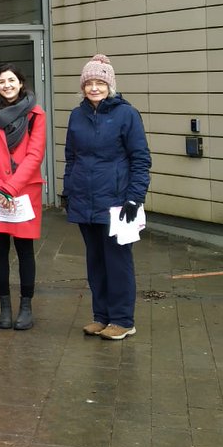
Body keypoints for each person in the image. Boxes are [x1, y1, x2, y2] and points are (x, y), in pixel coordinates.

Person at [64, 54, 151, 341]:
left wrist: (134, 198)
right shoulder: (77, 115)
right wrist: (68, 190)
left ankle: (123, 320)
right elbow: (71, 157)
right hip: (85, 200)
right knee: (95, 261)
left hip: (117, 203)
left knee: (117, 262)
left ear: (110, 85)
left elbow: (140, 160)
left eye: (100, 82)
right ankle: (101, 316)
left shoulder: (127, 114)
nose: (94, 88)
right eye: (89, 82)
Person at [0, 63, 47, 331]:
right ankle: (5, 307)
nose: (7, 85)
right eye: (2, 81)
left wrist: (10, 189)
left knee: (25, 250)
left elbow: (34, 155)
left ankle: (26, 307)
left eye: (11, 80)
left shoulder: (37, 115)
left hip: (23, 191)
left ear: (21, 82)